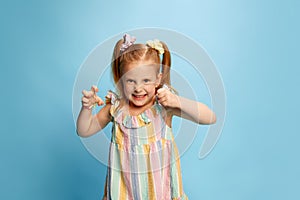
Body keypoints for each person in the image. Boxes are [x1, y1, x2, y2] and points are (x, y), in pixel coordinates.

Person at [76, 34, 216, 200]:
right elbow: (84, 130)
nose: (138, 88)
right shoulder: (116, 108)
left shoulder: (163, 108)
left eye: (146, 80)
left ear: (158, 79)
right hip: (123, 194)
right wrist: (86, 108)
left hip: (160, 194)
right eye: (131, 81)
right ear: (121, 81)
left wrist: (177, 101)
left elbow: (209, 117)